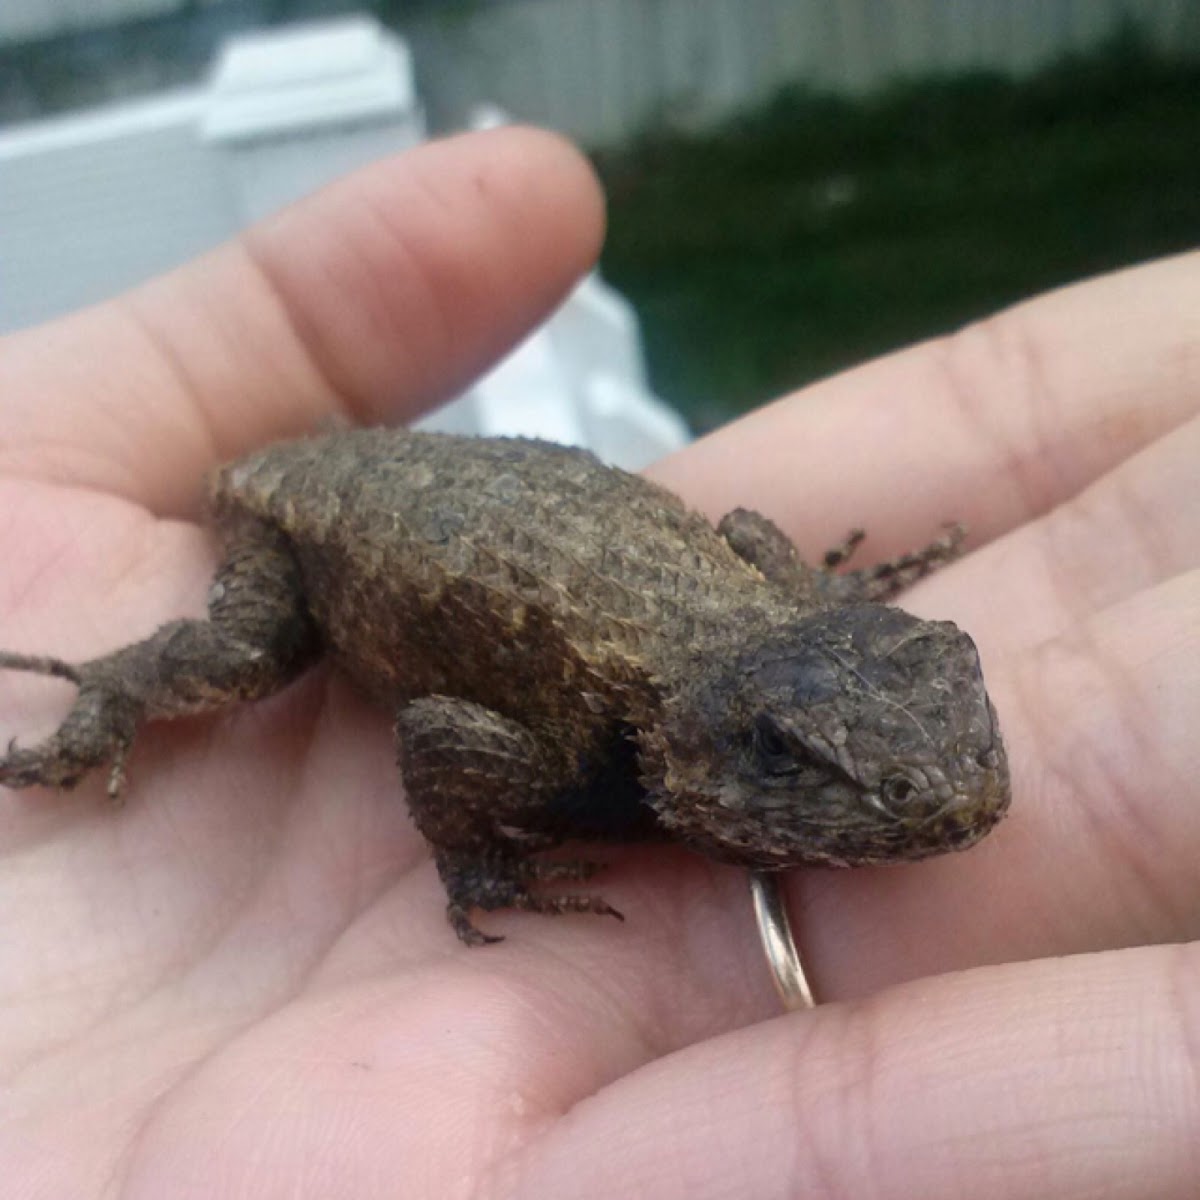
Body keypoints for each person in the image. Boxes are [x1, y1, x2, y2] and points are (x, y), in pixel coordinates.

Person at [0, 127, 1196, 1199]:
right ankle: (104, 696)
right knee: (244, 655)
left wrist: (828, 608)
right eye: (799, 769)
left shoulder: (751, 626)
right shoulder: (591, 744)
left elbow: (746, 540)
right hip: (309, 534)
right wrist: (474, 860)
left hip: (475, 499)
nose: (944, 797)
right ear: (716, 752)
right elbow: (441, 733)